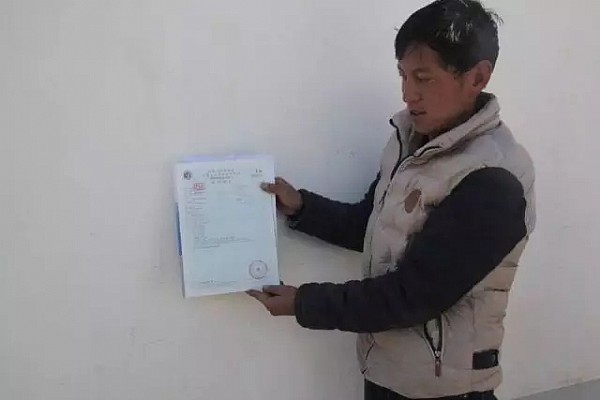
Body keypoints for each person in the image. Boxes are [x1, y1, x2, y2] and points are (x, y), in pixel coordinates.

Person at [248, 1, 536, 399]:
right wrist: (301, 206)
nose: (407, 94)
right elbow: (370, 225)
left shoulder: (493, 179)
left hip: (445, 389)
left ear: (477, 77)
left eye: (423, 78)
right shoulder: (410, 143)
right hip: (388, 373)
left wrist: (304, 303)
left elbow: (414, 295)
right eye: (402, 75)